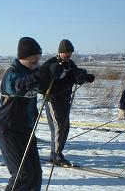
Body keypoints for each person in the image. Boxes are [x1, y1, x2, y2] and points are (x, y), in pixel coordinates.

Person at [0, 37, 63, 191]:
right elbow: (19, 86)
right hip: (7, 129)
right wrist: (41, 75)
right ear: (23, 56)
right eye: (32, 57)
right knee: (23, 172)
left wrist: (61, 76)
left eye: (38, 57)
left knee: (36, 172)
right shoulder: (12, 72)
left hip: (26, 129)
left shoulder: (36, 70)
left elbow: (47, 87)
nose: (35, 61)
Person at [39, 39, 95, 167]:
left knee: (63, 128)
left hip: (65, 100)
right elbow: (41, 79)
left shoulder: (70, 64)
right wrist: (51, 75)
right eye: (66, 53)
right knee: (60, 127)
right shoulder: (52, 63)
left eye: (70, 53)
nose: (68, 55)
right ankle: (56, 155)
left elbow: (75, 77)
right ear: (60, 52)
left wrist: (85, 77)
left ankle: (56, 153)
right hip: (53, 100)